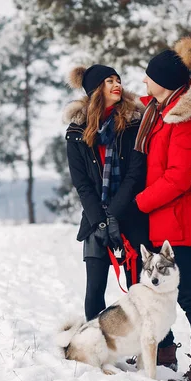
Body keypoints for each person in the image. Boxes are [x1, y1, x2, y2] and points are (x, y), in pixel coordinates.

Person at [134, 37, 191, 381]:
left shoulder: (187, 121)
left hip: (181, 220)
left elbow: (178, 178)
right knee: (160, 293)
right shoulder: (159, 114)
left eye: (149, 77)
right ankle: (164, 352)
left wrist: (138, 204)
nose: (143, 82)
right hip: (165, 219)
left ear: (165, 83)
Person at [64, 64, 149, 322]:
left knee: (138, 290)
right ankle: (95, 347)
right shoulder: (76, 132)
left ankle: (142, 346)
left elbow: (135, 176)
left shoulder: (134, 124)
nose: (117, 84)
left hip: (131, 215)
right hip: (95, 219)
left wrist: (113, 215)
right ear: (95, 89)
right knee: (94, 291)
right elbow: (82, 184)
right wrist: (101, 221)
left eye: (118, 80)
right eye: (109, 81)